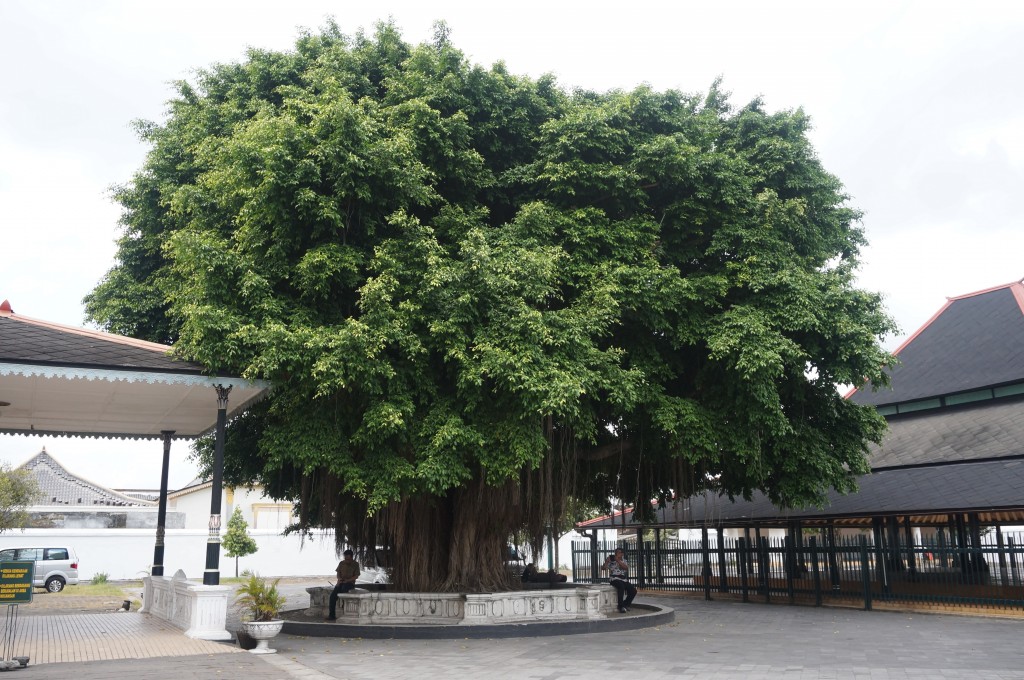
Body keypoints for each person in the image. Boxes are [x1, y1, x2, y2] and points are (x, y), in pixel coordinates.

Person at [326, 549, 360, 621]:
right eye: (345, 557)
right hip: (340, 582)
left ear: (351, 557)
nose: (346, 559)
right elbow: (338, 573)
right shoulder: (341, 563)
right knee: (332, 597)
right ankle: (331, 615)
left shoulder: (355, 564)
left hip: (350, 583)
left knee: (344, 590)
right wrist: (339, 578)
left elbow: (356, 576)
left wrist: (348, 580)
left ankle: (346, 612)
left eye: (347, 557)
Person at [603, 548, 637, 613]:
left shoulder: (624, 561)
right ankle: (620, 606)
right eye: (616, 553)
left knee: (633, 591)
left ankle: (626, 604)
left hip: (623, 579)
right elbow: (603, 568)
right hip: (614, 578)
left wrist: (618, 560)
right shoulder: (611, 561)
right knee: (621, 587)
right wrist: (607, 562)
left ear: (622, 554)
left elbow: (626, 568)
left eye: (618, 553)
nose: (616, 554)